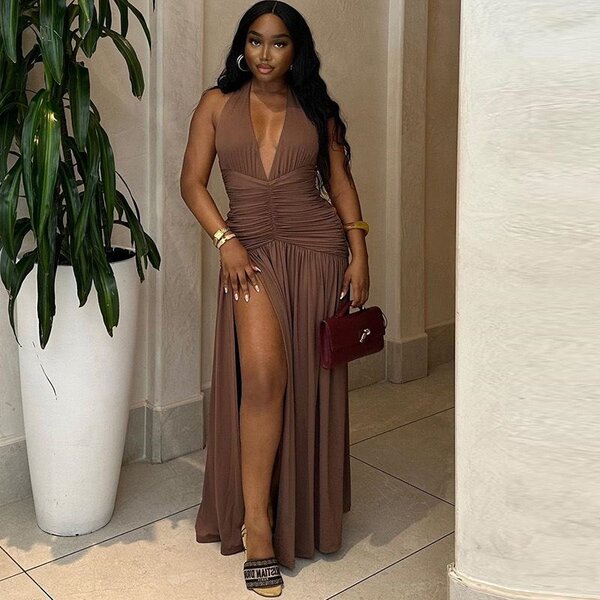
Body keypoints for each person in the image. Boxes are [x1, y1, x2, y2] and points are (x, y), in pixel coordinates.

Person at [179, 1, 369, 595]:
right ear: (243, 46)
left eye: (279, 43)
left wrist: (358, 251)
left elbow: (339, 183)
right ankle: (258, 525)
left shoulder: (316, 109)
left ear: (296, 51)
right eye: (256, 41)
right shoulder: (216, 104)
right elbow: (191, 182)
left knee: (307, 379)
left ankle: (300, 510)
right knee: (262, 377)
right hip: (248, 252)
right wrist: (224, 240)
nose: (265, 54)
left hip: (317, 250)